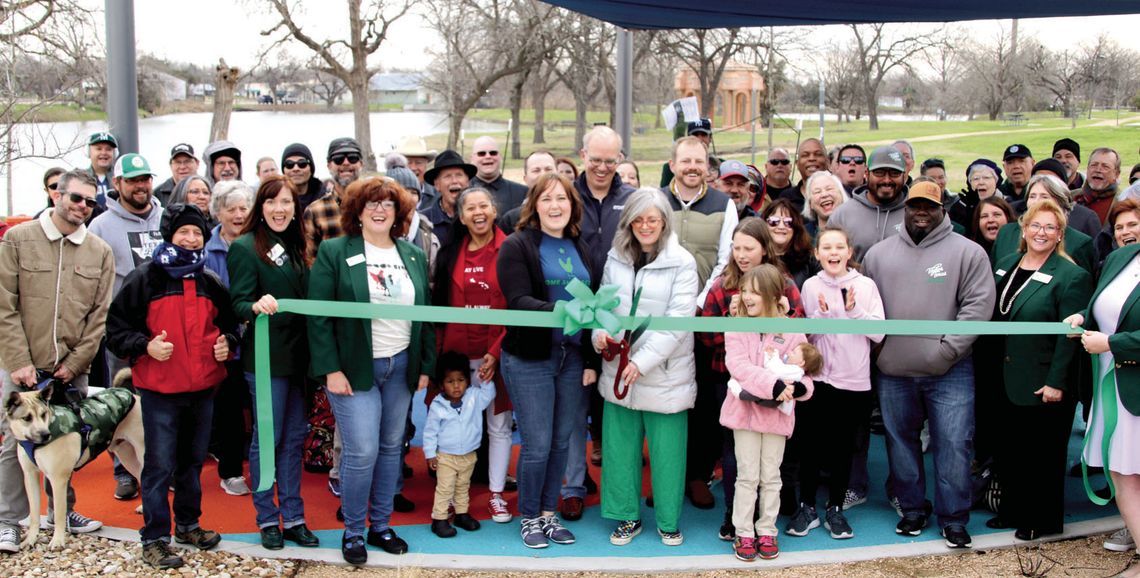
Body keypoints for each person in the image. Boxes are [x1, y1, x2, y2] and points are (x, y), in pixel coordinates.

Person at [307, 176, 435, 565]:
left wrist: (425, 366)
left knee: (390, 449)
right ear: (357, 212)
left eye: (388, 204)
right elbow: (319, 317)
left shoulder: (412, 254)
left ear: (398, 212)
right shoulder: (334, 251)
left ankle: (380, 525)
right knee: (361, 451)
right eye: (371, 204)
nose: (380, 210)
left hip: (401, 366)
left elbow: (426, 316)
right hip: (354, 369)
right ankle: (353, 531)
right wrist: (330, 369)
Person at [863, 180, 997, 549]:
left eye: (930, 205)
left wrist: (947, 351)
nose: (921, 211)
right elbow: (864, 308)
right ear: (905, 207)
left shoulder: (968, 253)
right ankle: (912, 510)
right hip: (893, 371)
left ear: (943, 209)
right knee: (900, 443)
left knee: (953, 444)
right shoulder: (877, 254)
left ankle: (954, 517)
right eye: (915, 205)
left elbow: (977, 306)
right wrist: (879, 353)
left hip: (950, 371)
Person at [106, 204, 237, 569]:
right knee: (159, 465)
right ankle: (155, 537)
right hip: (160, 391)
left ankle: (188, 524)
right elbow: (115, 331)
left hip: (203, 388)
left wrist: (227, 341)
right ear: (170, 235)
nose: (191, 239)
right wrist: (144, 346)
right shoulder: (145, 279)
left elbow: (231, 326)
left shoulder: (210, 281)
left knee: (192, 463)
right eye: (184, 232)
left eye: (197, 232)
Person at [0, 170, 113, 552]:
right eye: (76, 198)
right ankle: (10, 520)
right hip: (23, 366)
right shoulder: (17, 239)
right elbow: (5, 304)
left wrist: (77, 363)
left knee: (68, 438)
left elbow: (99, 316)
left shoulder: (100, 251)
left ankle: (62, 513)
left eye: (90, 201)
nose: (83, 207)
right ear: (57, 196)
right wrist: (18, 360)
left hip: (71, 369)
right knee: (14, 445)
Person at [588, 187, 698, 548]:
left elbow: (678, 322)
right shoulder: (615, 256)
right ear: (629, 221)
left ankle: (668, 520)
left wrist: (642, 361)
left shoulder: (682, 261)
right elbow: (603, 305)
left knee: (667, 455)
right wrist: (600, 334)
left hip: (664, 374)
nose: (645, 225)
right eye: (638, 219)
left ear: (664, 221)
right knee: (619, 452)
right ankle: (626, 517)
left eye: (653, 218)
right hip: (618, 373)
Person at [496, 172, 597, 549]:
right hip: (530, 358)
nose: (556, 206)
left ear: (573, 206)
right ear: (534, 206)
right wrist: (566, 309)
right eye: (547, 199)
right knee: (536, 443)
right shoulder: (517, 246)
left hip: (571, 358)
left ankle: (549, 514)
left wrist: (589, 358)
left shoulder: (580, 246)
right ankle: (529, 516)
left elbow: (594, 304)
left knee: (560, 442)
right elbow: (518, 300)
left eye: (563, 199)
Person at [986, 200, 1091, 541]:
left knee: (1042, 454)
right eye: (1035, 225)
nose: (1041, 233)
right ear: (1024, 229)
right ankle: (1012, 509)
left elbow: (1070, 337)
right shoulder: (1006, 264)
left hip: (1045, 380)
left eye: (1050, 227)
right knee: (1011, 449)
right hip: (1006, 376)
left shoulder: (1071, 275)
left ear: (1060, 234)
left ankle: (1042, 518)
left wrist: (1056, 382)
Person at [699, 217, 805, 540]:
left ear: (764, 249)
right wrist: (737, 326)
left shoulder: (782, 283)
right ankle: (735, 519)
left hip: (778, 388)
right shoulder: (722, 284)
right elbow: (705, 332)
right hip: (731, 381)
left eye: (749, 248)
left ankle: (768, 523)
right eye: (736, 248)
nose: (742, 254)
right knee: (736, 456)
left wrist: (779, 317)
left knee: (771, 460)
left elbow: (799, 334)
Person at [226, 176, 318, 550]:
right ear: (259, 207)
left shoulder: (300, 246)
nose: (279, 209)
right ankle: (267, 517)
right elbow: (237, 302)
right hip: (266, 361)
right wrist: (254, 306)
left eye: (286, 202)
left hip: (300, 361)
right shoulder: (246, 248)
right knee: (268, 439)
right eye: (271, 202)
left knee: (294, 439)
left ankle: (294, 516)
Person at [787, 226, 885, 541]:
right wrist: (821, 319)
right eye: (826, 247)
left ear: (849, 253)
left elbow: (879, 333)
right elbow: (804, 337)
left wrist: (853, 311)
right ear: (817, 253)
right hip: (818, 380)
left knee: (844, 447)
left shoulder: (866, 286)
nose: (833, 253)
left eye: (838, 247)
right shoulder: (811, 285)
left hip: (853, 380)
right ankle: (807, 507)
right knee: (810, 445)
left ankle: (835, 509)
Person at [720, 264, 814, 562]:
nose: (746, 297)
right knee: (747, 476)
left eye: (754, 292)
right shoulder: (736, 326)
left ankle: (767, 529)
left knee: (772, 477)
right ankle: (744, 532)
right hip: (744, 415)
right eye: (744, 290)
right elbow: (739, 367)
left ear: (774, 295)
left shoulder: (792, 329)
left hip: (777, 418)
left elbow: (805, 372)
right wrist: (773, 385)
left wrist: (797, 389)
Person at [431, 186, 513, 524]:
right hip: (456, 355)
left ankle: (495, 495)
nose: (478, 213)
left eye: (484, 206)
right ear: (461, 216)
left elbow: (516, 304)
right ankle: (448, 495)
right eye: (470, 208)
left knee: (499, 426)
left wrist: (496, 352)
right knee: (450, 424)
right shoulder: (450, 251)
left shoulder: (511, 248)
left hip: (497, 351)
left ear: (494, 211)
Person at [1065, 240, 1140, 578]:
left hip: (1131, 382)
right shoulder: (1121, 256)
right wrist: (1085, 314)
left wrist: (1112, 343)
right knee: (1123, 474)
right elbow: (1102, 302)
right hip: (1113, 388)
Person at [423, 351, 496, 538]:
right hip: (446, 456)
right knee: (445, 488)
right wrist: (430, 454)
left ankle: (461, 515)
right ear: (441, 384)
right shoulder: (437, 405)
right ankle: (439, 519)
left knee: (463, 486)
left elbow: (489, 395)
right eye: (450, 381)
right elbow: (430, 432)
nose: (456, 385)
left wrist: (484, 379)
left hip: (469, 455)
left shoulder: (474, 397)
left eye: (461, 380)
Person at [991, 175, 1096, 275]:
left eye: (1044, 196)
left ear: (1061, 202)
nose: (1036, 202)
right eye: (1032, 196)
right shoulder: (1006, 232)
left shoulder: (1079, 242)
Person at [827, 146, 910, 261]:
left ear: (904, 176)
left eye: (894, 173)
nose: (886, 180)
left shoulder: (914, 212)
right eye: (879, 173)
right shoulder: (843, 215)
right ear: (866, 173)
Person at [302, 137, 364, 260]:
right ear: (329, 166)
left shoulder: (376, 205)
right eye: (338, 159)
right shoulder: (314, 211)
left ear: (361, 164)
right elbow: (310, 260)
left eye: (352, 158)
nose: (346, 163)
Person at [423, 149, 476, 248]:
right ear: (437, 185)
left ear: (467, 181)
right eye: (447, 176)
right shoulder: (423, 221)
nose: (454, 181)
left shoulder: (478, 216)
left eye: (459, 175)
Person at [763, 199, 818, 289]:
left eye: (788, 222)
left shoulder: (810, 260)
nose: (781, 226)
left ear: (796, 227)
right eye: (774, 221)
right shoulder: (756, 258)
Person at [470, 136, 528, 212]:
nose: (488, 156)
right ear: (472, 159)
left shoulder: (523, 192)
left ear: (500, 157)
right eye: (481, 153)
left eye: (493, 153)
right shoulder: (461, 192)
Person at [949, 159, 1003, 232]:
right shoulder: (960, 207)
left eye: (986, 178)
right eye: (975, 179)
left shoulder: (1008, 203)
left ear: (996, 181)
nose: (981, 182)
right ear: (970, 183)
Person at [280, 143, 325, 214]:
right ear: (283, 170)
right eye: (289, 164)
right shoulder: (274, 199)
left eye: (302, 163)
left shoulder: (327, 198)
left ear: (311, 169)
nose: (296, 168)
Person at [154, 143, 200, 208]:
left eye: (187, 161)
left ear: (197, 163)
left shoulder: (208, 190)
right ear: (170, 165)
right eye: (178, 162)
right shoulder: (158, 194)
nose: (182, 167)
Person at [803, 171, 846, 236]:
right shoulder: (803, 235)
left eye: (829, 189)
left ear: (841, 195)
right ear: (810, 204)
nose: (824, 195)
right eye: (817, 192)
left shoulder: (856, 230)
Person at [85, 131, 117, 206]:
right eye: (99, 149)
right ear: (89, 152)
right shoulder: (81, 179)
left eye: (108, 149)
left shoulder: (121, 179)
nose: (104, 153)